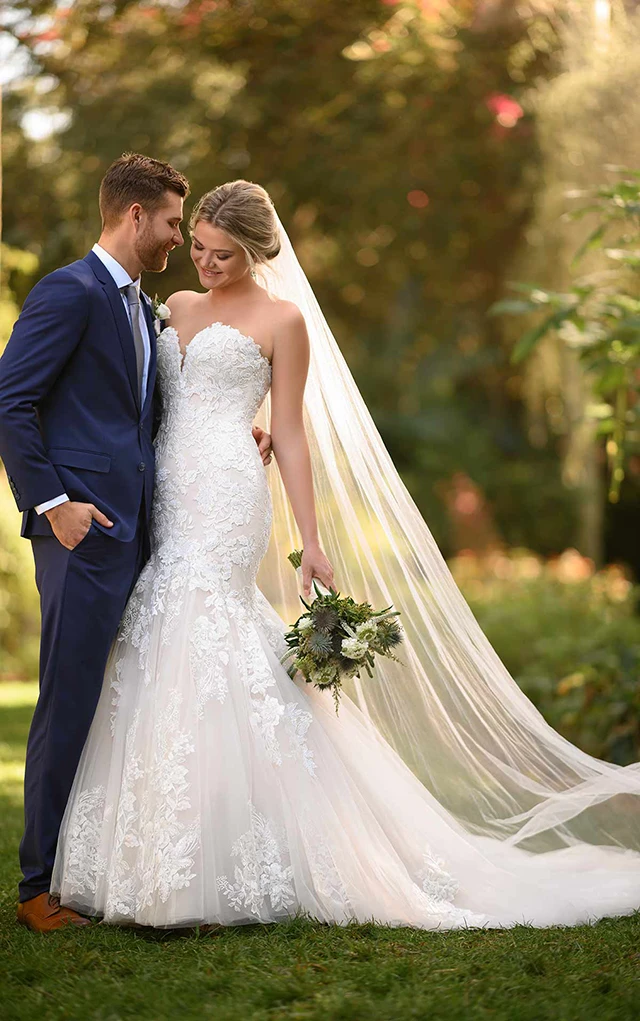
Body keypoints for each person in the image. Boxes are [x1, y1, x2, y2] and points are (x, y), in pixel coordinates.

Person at [51, 180, 640, 930]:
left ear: (259, 252)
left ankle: (210, 864)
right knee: (161, 620)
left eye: (221, 255)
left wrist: (312, 539)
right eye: (196, 247)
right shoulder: (173, 309)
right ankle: (156, 848)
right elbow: (154, 403)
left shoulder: (283, 319)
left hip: (229, 495)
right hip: (164, 485)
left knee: (206, 616)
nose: (203, 264)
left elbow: (289, 430)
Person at [0, 157, 271, 933]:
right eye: (173, 223)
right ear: (133, 217)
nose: (179, 238)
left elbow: (138, 412)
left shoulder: (141, 308)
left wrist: (228, 429)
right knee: (70, 695)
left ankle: (96, 864)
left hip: (148, 528)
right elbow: (10, 399)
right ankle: (35, 889)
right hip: (83, 536)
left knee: (119, 699)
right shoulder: (71, 291)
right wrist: (56, 506)